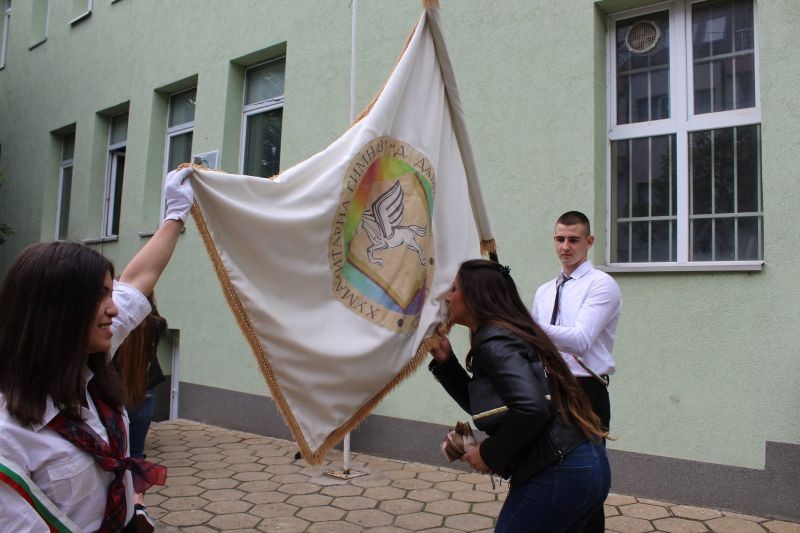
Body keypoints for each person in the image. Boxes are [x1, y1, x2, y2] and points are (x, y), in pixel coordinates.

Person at [0, 166, 194, 532]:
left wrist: (176, 215)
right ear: (55, 311)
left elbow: (138, 279)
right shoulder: (7, 434)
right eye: (100, 296)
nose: (114, 309)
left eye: (110, 293)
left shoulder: (85, 355)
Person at [430, 259, 610, 532]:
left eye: (454, 289)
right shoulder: (507, 333)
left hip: (560, 471)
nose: (447, 296)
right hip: (585, 464)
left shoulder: (495, 341)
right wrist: (446, 362)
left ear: (476, 296)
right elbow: (489, 406)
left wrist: (488, 453)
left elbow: (531, 408)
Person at [531, 210, 622, 533]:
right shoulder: (544, 291)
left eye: (573, 240)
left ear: (589, 241)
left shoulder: (601, 285)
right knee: (548, 473)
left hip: (585, 390)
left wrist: (527, 326)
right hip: (548, 386)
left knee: (586, 482)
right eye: (560, 239)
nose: (565, 247)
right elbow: (537, 345)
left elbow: (581, 340)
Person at [114, 294, 168, 461]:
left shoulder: (116, 328)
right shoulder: (154, 325)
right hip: (141, 392)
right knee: (134, 454)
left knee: (120, 454)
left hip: (130, 392)